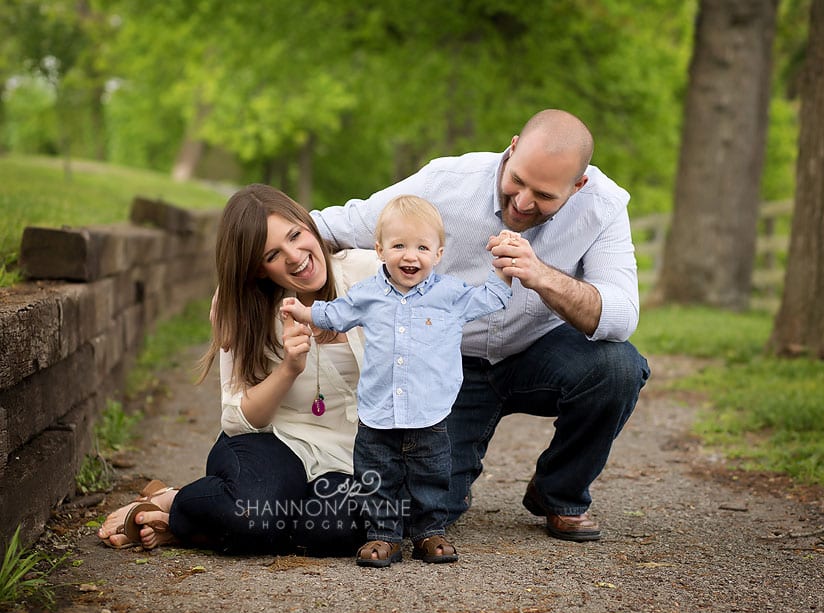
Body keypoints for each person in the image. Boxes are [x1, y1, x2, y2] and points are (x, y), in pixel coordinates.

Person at [312, 109, 652, 542]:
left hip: (538, 352)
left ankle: (559, 492)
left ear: (578, 186)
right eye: (518, 182)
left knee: (619, 367)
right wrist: (248, 284)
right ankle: (457, 476)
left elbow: (621, 315)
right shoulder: (445, 182)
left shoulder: (603, 207)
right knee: (425, 514)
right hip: (445, 365)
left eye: (545, 196)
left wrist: (540, 274)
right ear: (510, 151)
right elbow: (331, 228)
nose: (524, 202)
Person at [98, 183, 382, 555]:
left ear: (309, 225)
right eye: (273, 254)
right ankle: (180, 502)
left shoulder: (370, 274)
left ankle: (192, 524)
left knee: (329, 532)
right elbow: (238, 419)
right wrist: (288, 369)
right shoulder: (247, 311)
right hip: (277, 442)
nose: (296, 256)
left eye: (296, 235)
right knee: (252, 518)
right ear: (259, 270)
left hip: (353, 455)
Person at [281, 195, 513, 567]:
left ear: (438, 254)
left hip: (429, 413)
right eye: (399, 245)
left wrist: (504, 267)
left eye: (422, 247)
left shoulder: (450, 296)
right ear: (380, 250)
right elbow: (336, 314)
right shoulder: (368, 294)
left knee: (433, 476)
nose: (411, 256)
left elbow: (493, 298)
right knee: (376, 478)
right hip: (377, 412)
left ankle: (429, 531)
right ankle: (382, 536)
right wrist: (304, 311)